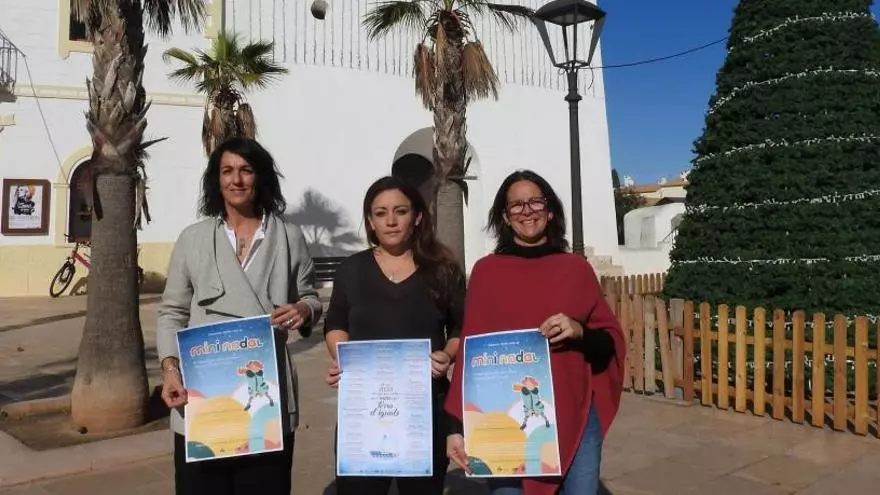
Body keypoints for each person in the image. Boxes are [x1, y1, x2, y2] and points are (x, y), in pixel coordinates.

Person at [156, 137, 323, 495]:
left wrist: (304, 309)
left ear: (260, 177)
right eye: (227, 171)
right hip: (204, 394)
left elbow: (310, 296)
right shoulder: (192, 239)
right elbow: (172, 311)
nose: (236, 180)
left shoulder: (289, 237)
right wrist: (170, 370)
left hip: (266, 394)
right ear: (216, 180)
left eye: (246, 170)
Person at [444, 170, 626, 495]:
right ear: (504, 216)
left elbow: (607, 345)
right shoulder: (486, 272)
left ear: (550, 210)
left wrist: (579, 331)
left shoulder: (576, 269)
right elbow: (472, 352)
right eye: (516, 204)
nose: (527, 210)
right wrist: (456, 427)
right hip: (504, 424)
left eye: (535, 202)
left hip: (575, 416)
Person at [323, 175, 465, 495]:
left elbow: (460, 327)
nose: (390, 221)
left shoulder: (442, 269)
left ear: (417, 217)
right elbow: (335, 323)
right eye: (380, 213)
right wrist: (343, 358)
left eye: (400, 211)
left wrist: (447, 354)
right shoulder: (351, 270)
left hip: (425, 409)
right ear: (370, 221)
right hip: (363, 410)